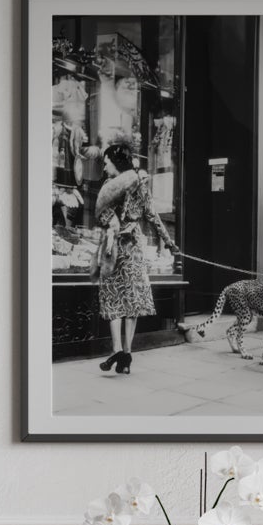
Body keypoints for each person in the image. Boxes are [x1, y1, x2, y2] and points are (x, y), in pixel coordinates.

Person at [93, 137, 175, 374]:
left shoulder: (109, 186)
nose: (105, 167)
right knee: (131, 299)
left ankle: (117, 349)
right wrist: (169, 243)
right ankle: (126, 355)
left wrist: (113, 229)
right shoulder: (140, 184)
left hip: (113, 247)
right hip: (133, 247)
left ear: (116, 163)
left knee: (112, 297)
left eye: (107, 162)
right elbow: (152, 215)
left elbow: (104, 216)